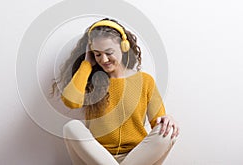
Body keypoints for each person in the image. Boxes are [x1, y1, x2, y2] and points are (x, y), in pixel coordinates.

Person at [52, 18, 180, 165]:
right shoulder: (91, 80)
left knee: (168, 131)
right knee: (71, 127)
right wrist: (87, 64)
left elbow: (158, 122)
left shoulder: (145, 81)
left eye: (109, 52)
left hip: (137, 158)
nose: (103, 59)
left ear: (124, 47)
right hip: (97, 159)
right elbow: (71, 101)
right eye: (97, 54)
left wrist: (167, 119)